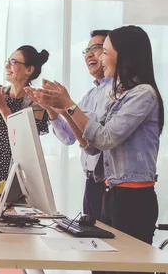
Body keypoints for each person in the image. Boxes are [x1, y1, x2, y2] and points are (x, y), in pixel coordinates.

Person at [27, 25, 163, 274]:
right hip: (112, 194)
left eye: (104, 51)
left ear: (124, 54)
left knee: (125, 271)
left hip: (132, 199)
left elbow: (106, 137)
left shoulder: (143, 94)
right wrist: (58, 108)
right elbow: (91, 147)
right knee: (102, 269)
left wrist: (68, 105)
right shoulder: (114, 94)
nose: (98, 58)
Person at [46, 30, 112, 220]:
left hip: (109, 184)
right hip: (91, 182)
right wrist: (50, 109)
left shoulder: (118, 91)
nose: (90, 54)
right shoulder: (90, 95)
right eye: (87, 50)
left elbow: (99, 133)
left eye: (96, 48)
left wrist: (67, 105)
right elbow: (68, 137)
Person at [0, 45, 50, 202]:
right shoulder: (0, 94)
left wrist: (3, 108)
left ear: (29, 70)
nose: (7, 66)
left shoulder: (36, 101)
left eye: (13, 62)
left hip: (17, 180)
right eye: (8, 61)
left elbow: (25, 138)